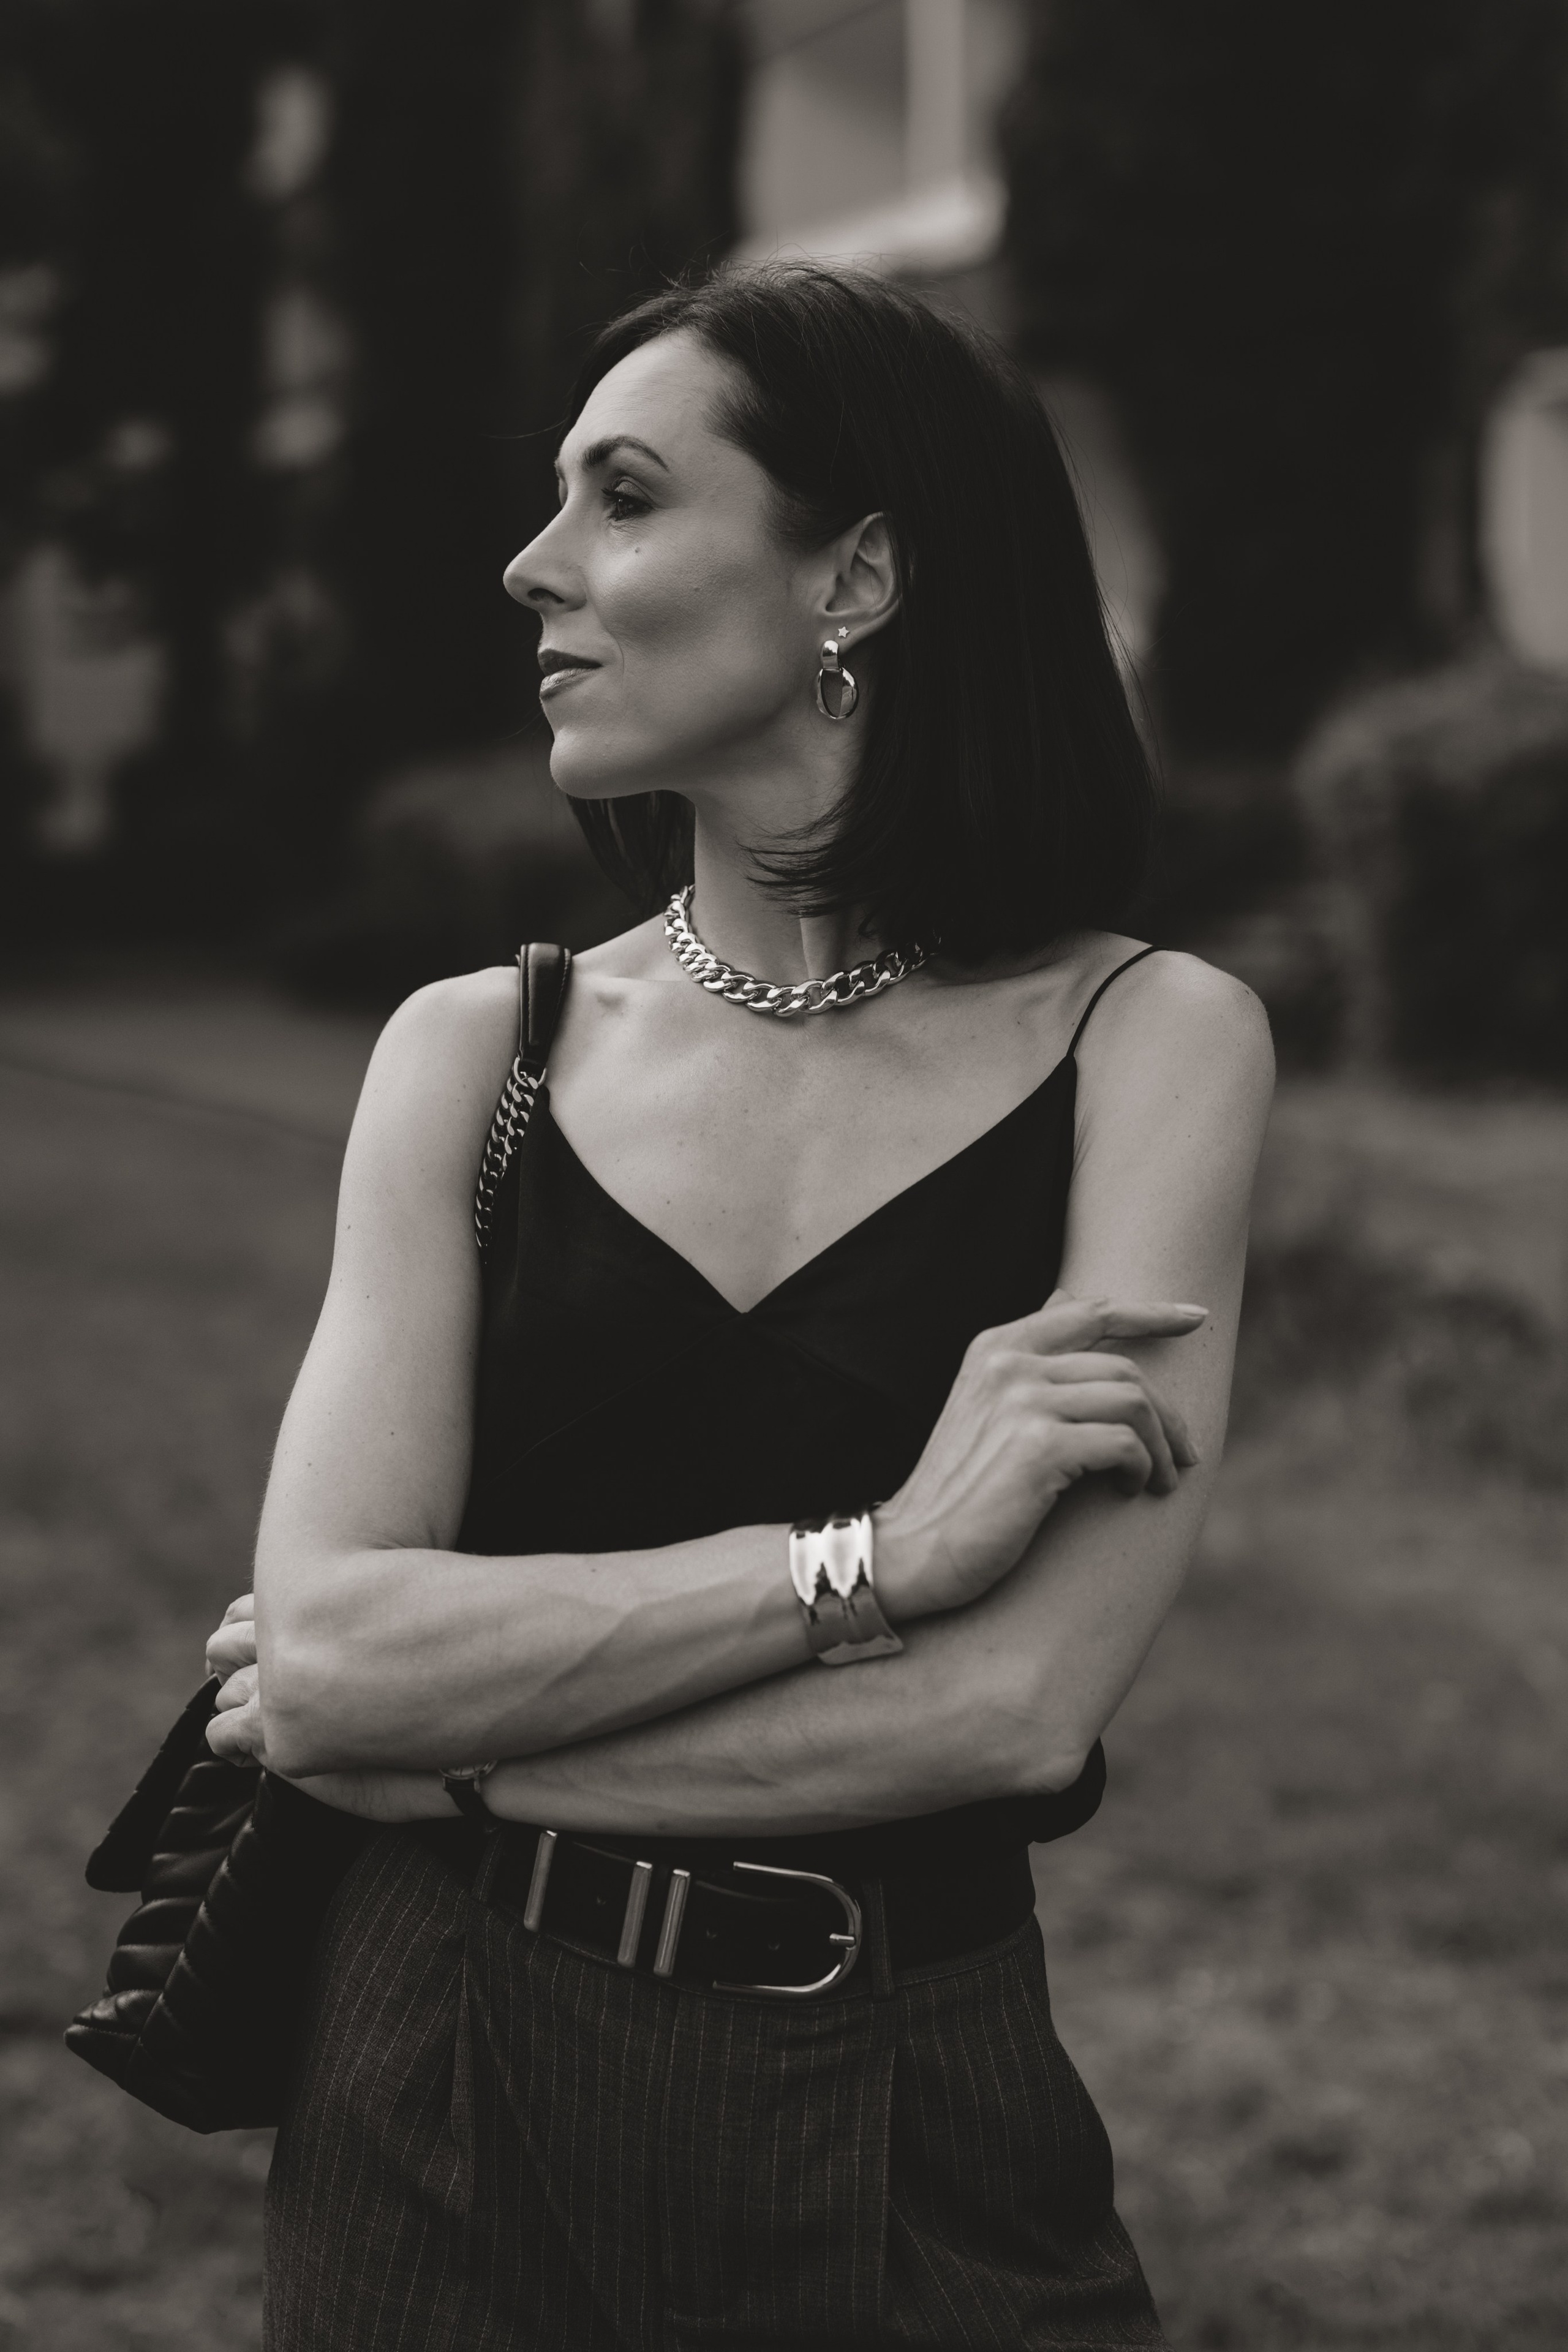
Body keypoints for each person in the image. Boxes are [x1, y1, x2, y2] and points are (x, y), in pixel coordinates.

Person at [205, 263, 1274, 2350]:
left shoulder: (1153, 1046)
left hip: (910, 2099)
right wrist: (869, 1563)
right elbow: (333, 1651)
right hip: (440, 2092)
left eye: (622, 496)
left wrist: (442, 1765)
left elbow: (1012, 1712)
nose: (533, 568)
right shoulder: (471, 1055)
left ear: (854, 573)